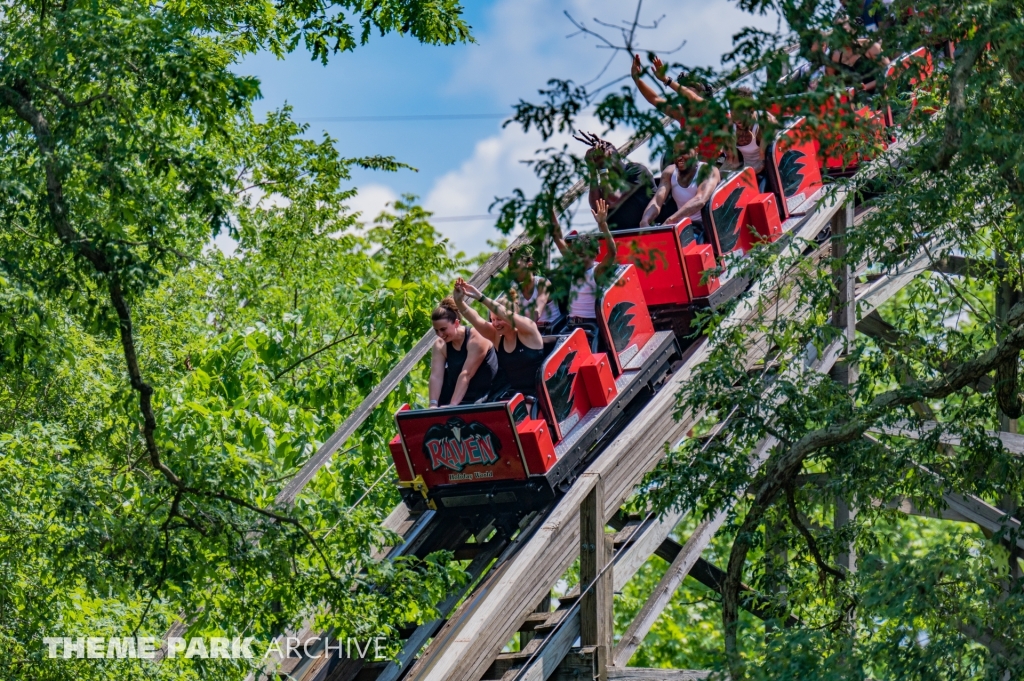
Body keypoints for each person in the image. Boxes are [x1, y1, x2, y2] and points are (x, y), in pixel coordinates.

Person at [452, 280, 546, 402]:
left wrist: (480, 297)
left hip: (539, 393)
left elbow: (505, 314)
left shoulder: (529, 331)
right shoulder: (496, 337)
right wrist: (459, 302)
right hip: (514, 395)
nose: (495, 324)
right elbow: (475, 319)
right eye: (493, 319)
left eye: (499, 319)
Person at [550, 198, 617, 352]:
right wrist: (551, 214)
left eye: (583, 255)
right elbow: (557, 238)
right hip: (571, 324)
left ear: (594, 254)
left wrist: (603, 225)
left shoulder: (597, 271)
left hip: (590, 326)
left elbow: (612, 252)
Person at [630, 54, 722, 164]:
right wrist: (636, 79)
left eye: (689, 87)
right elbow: (654, 99)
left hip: (720, 164)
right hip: (696, 169)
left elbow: (691, 97)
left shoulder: (710, 108)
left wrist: (666, 80)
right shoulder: (682, 114)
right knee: (669, 158)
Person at [574, 131, 656, 232]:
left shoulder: (636, 170)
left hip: (645, 234)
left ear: (611, 153)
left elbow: (612, 199)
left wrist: (603, 168)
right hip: (618, 240)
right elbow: (597, 207)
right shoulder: (606, 183)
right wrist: (593, 171)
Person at [639, 144, 721, 243]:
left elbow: (700, 200)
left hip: (707, 227)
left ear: (696, 150)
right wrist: (644, 221)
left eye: (683, 153)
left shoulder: (708, 171)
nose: (679, 157)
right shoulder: (669, 172)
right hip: (681, 227)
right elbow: (657, 200)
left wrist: (670, 221)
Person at [428, 297, 498, 408]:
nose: (440, 335)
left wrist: (453, 405)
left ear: (456, 323)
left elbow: (466, 374)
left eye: (443, 329)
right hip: (461, 395)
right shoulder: (440, 344)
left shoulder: (477, 338)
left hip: (486, 394)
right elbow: (436, 376)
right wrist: (433, 404)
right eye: (436, 330)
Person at [826, 16, 891, 98]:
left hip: (879, 96)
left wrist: (865, 87)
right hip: (853, 104)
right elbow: (829, 85)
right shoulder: (834, 57)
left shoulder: (870, 46)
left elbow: (890, 72)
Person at [507, 244, 564, 334]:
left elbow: (537, 312)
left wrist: (523, 329)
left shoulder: (542, 283)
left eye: (516, 267)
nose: (512, 272)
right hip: (531, 331)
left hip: (551, 330)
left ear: (529, 265)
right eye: (510, 268)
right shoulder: (515, 289)